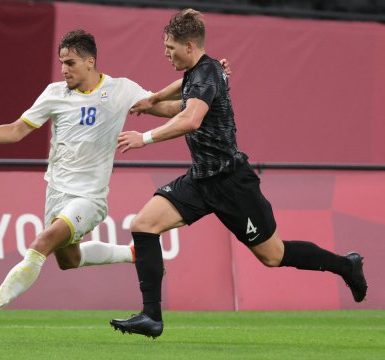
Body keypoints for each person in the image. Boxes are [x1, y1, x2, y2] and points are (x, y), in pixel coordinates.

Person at [0, 29, 233, 331]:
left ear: (89, 61)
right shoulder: (54, 93)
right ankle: (133, 253)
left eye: (70, 63)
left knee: (42, 243)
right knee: (68, 259)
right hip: (56, 194)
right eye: (61, 63)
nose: (64, 69)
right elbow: (16, 130)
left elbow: (168, 107)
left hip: (89, 199)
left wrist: (213, 83)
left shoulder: (121, 90)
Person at [109, 9, 368, 339]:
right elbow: (182, 96)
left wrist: (144, 138)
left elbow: (189, 119)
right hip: (201, 180)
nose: (166, 54)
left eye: (170, 47)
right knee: (143, 225)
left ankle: (346, 266)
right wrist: (153, 100)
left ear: (189, 46)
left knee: (273, 256)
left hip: (232, 183)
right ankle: (151, 316)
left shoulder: (208, 73)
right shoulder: (200, 72)